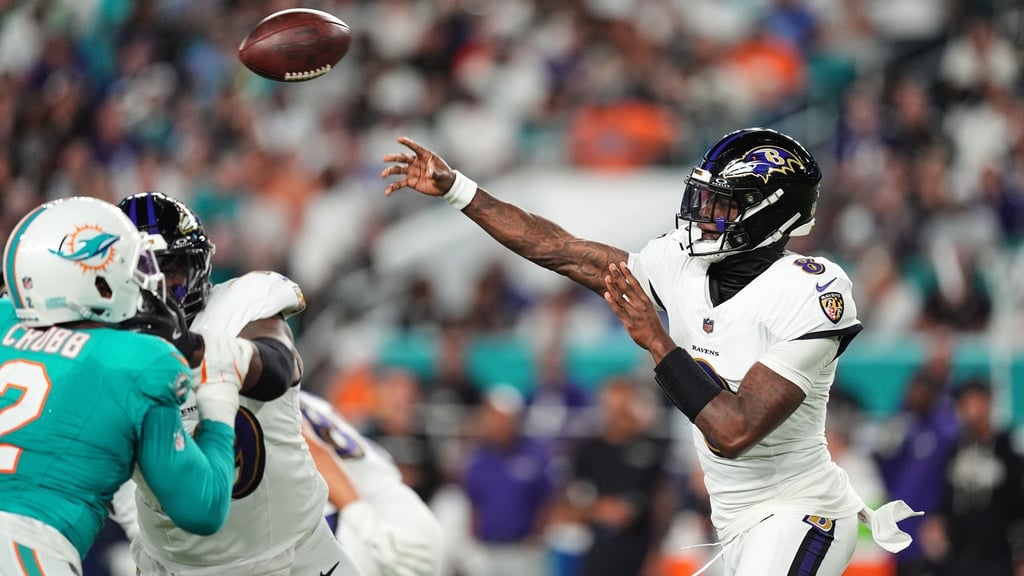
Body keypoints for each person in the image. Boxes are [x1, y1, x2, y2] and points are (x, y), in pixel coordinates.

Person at [381, 128, 923, 575]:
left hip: (802, 510)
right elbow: (563, 251)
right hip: (734, 518)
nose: (704, 214)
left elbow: (734, 431)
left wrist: (657, 341)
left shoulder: (812, 289)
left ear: (767, 215)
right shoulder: (683, 266)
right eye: (705, 198)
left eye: (724, 205)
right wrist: (461, 191)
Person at [110, 192, 358, 576]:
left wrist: (199, 350)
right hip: (177, 565)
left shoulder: (240, 307)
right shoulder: (103, 351)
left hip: (299, 553)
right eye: (144, 272)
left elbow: (278, 367)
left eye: (172, 267)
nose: (160, 287)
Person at [0, 196, 241, 576]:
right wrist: (220, 396)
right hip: (26, 549)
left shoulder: (4, 318)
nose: (147, 282)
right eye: (134, 268)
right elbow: (204, 509)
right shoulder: (141, 360)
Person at [299, 389, 442, 576]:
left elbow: (304, 444)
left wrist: (363, 519)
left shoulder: (266, 400)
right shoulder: (308, 400)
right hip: (405, 508)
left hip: (365, 526)